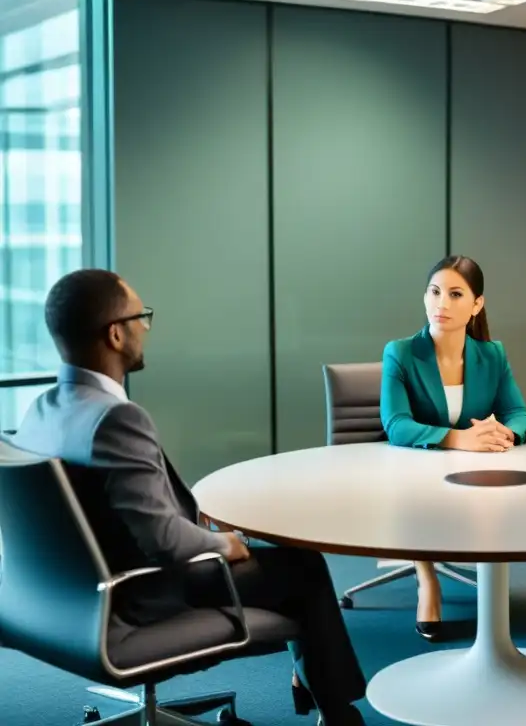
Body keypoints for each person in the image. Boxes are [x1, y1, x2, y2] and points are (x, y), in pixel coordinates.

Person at [14, 269, 367, 726]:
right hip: (142, 596)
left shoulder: (40, 411)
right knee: (303, 566)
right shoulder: (117, 418)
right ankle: (339, 714)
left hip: (68, 597)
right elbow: (164, 540)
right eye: (140, 316)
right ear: (116, 333)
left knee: (282, 563)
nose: (146, 327)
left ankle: (318, 692)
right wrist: (225, 544)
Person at [379, 255, 526, 641]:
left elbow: (520, 414)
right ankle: (427, 579)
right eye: (434, 292)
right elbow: (396, 424)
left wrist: (504, 433)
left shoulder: (492, 355)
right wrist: (458, 439)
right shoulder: (400, 353)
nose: (441, 304)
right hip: (415, 470)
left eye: (455, 294)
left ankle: (491, 588)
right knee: (416, 494)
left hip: (472, 473)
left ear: (476, 304)